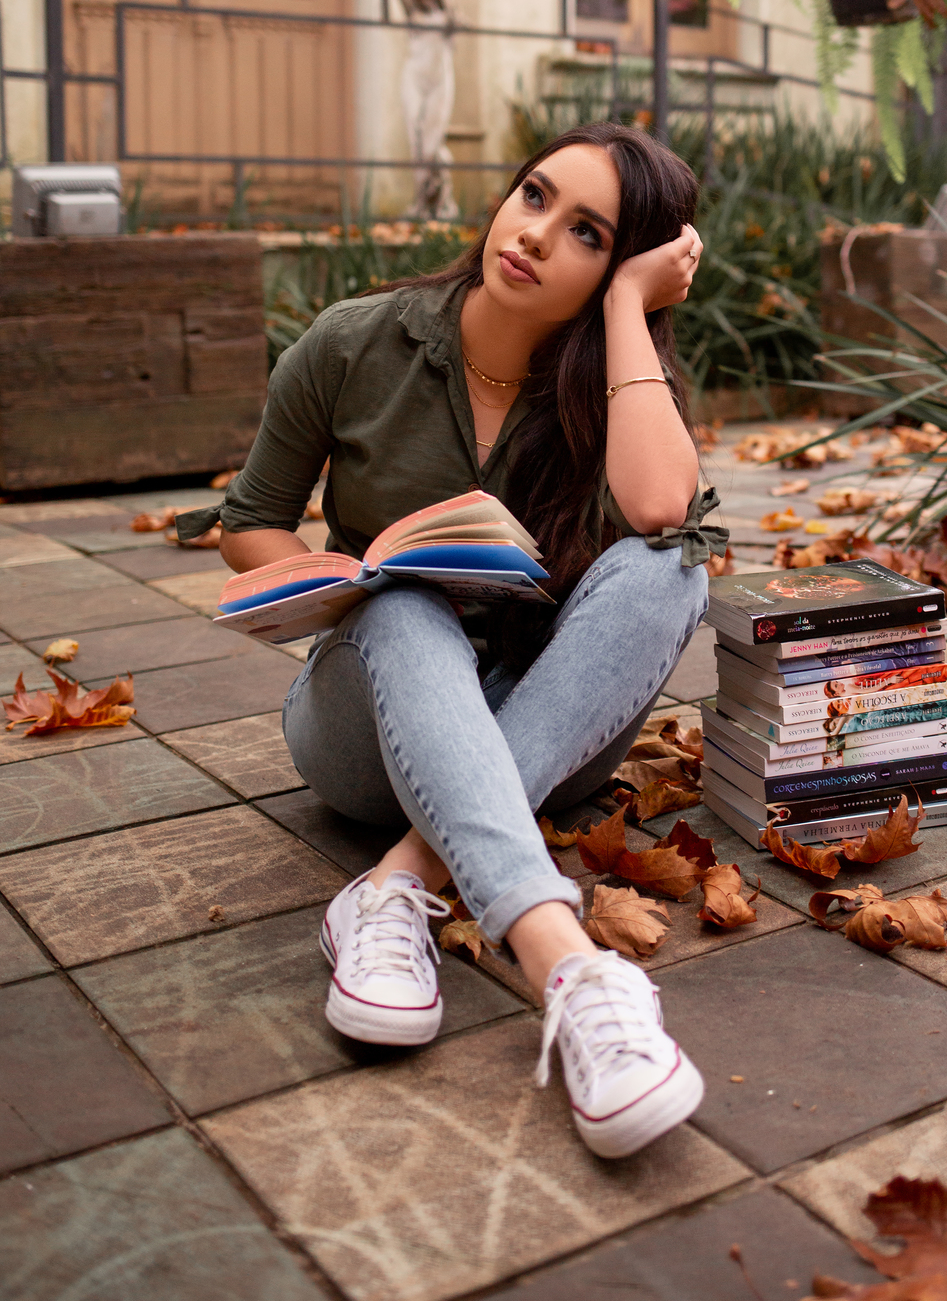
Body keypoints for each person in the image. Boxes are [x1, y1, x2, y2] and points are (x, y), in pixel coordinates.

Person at [178, 123, 726, 1160]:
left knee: (671, 565)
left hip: (540, 733)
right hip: (363, 733)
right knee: (401, 601)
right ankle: (566, 965)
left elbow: (663, 508)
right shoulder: (354, 342)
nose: (535, 234)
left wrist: (625, 313)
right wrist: (334, 585)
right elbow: (249, 521)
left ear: (626, 268)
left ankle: (394, 888)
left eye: (588, 234)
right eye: (534, 195)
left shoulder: (609, 380)